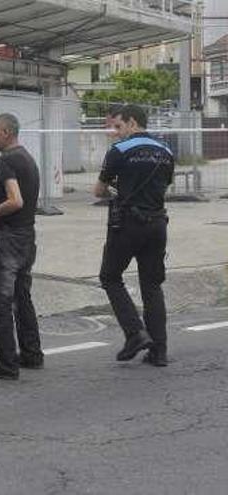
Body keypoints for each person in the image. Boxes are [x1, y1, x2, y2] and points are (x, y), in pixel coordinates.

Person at [94, 104, 174, 367]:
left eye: (119, 126)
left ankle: (134, 333)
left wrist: (119, 191)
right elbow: (163, 185)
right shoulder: (166, 151)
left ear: (131, 122)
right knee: (152, 286)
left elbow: (99, 190)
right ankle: (159, 352)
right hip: (158, 222)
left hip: (128, 223)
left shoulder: (119, 151)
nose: (117, 131)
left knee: (110, 276)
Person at [0, 113, 43, 380]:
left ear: (6, 132)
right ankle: (32, 354)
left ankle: (6, 364)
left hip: (10, 240)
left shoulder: (7, 161)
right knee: (22, 298)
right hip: (27, 237)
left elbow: (15, 201)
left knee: (0, 303)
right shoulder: (27, 159)